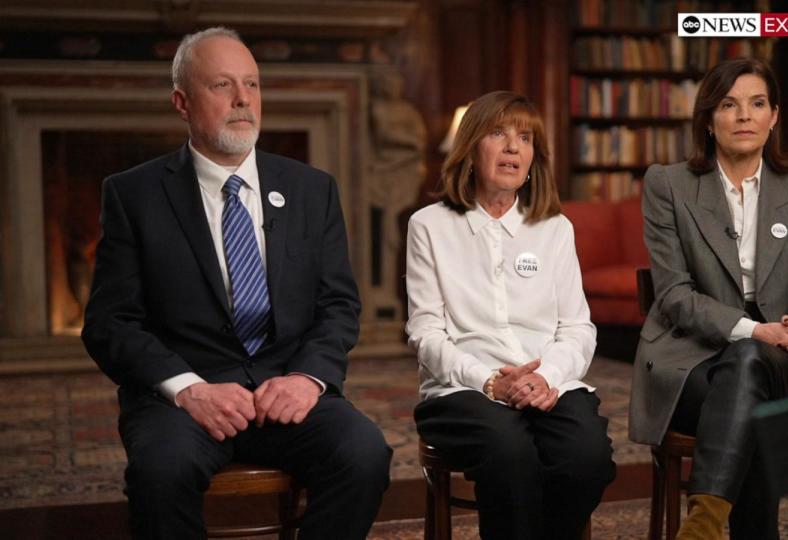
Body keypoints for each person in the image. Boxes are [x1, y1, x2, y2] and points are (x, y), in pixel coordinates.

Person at [81, 27, 391, 539]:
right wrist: (187, 390)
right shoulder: (134, 195)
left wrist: (307, 379)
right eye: (222, 85)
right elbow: (109, 322)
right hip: (184, 400)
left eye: (252, 84)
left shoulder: (311, 190)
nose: (243, 99)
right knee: (160, 473)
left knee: (363, 454)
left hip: (285, 387)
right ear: (182, 102)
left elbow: (337, 304)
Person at [628, 58, 788, 540]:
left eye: (757, 104)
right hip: (693, 362)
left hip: (782, 359)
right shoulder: (668, 184)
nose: (744, 116)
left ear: (774, 116)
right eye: (729, 104)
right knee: (748, 379)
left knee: (750, 367)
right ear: (708, 118)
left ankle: (703, 524)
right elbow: (674, 296)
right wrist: (757, 332)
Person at [405, 90, 616, 539]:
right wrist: (489, 380)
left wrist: (548, 378)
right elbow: (426, 332)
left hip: (548, 385)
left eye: (524, 137)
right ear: (470, 148)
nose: (512, 148)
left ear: (534, 156)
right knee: (509, 452)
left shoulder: (555, 228)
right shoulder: (429, 225)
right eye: (498, 134)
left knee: (588, 458)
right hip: (462, 388)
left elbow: (577, 326)